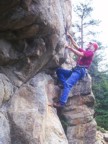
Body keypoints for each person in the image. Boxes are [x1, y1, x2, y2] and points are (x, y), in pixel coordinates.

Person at [53, 33, 99, 108]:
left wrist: (70, 48)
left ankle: (61, 103)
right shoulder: (86, 51)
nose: (89, 45)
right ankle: (64, 85)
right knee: (59, 71)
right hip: (75, 70)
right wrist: (70, 37)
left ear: (93, 47)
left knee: (68, 84)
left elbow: (81, 54)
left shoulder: (90, 53)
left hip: (80, 71)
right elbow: (76, 46)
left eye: (91, 44)